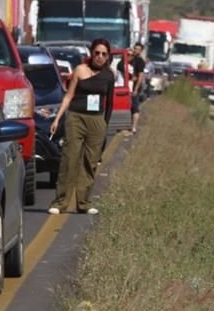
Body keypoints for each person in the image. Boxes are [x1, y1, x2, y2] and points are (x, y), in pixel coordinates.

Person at [47, 38, 115, 215]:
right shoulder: (80, 70)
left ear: (108, 57)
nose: (100, 57)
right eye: (97, 53)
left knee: (90, 161)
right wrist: (57, 119)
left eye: (104, 54)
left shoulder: (109, 75)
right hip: (76, 118)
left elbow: (110, 104)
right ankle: (60, 202)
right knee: (70, 158)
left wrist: (104, 125)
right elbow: (69, 96)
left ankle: (83, 203)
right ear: (91, 53)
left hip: (97, 120)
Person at [128, 41, 146, 134]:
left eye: (138, 49)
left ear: (141, 51)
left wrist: (136, 89)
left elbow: (140, 76)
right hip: (127, 86)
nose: (136, 51)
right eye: (135, 48)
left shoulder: (140, 62)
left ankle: (134, 127)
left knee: (135, 107)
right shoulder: (131, 58)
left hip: (134, 87)